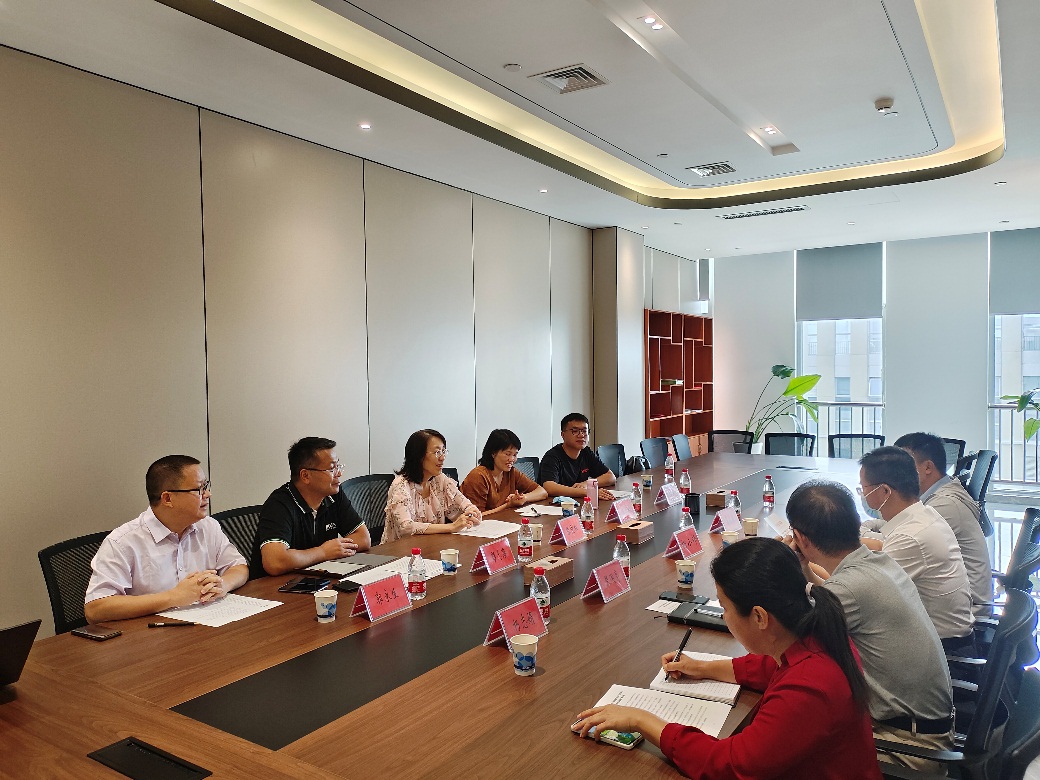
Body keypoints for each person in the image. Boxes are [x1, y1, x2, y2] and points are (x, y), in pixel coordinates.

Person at [573, 537, 880, 779]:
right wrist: (703, 667)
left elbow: (728, 765)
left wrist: (642, 720)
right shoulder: (818, 632)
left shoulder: (808, 687)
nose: (723, 615)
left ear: (759, 617)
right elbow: (771, 666)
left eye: (724, 606)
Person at [785, 480, 955, 770]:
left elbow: (789, 639)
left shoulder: (849, 589)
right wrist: (802, 570)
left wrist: (781, 570)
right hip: (925, 729)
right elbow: (831, 599)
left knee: (785, 753)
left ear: (800, 538)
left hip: (907, 748)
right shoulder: (879, 561)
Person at [84, 455, 248, 623]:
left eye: (205, 486)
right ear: (168, 499)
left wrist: (222, 585)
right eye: (198, 489)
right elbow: (95, 609)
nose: (207, 494)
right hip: (149, 633)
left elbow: (239, 567)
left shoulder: (207, 526)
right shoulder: (122, 542)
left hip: (203, 626)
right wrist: (173, 597)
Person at [857, 446, 974, 649]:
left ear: (884, 491)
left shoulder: (910, 537)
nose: (863, 495)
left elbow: (862, 596)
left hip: (943, 649)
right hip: (943, 636)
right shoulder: (924, 514)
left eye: (863, 488)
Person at [893, 432, 993, 615]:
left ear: (927, 467)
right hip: (956, 604)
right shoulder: (940, 493)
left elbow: (897, 546)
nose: (895, 475)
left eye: (902, 467)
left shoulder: (944, 505)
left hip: (967, 614)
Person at [250, 437, 371, 578]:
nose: (339, 473)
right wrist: (323, 552)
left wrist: (334, 550)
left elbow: (363, 538)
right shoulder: (279, 505)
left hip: (316, 578)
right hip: (273, 587)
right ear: (305, 475)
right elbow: (275, 562)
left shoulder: (333, 495)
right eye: (331, 469)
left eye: (338, 466)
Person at [383, 429, 482, 542]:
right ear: (418, 456)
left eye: (443, 451)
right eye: (437, 452)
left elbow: (463, 505)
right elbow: (406, 527)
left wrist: (471, 512)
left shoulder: (440, 480)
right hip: (399, 550)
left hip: (432, 545)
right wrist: (451, 527)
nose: (442, 457)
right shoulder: (401, 485)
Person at [460, 429, 548, 515]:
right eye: (507, 454)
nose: (512, 459)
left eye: (515, 455)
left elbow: (542, 492)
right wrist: (508, 505)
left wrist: (524, 498)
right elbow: (476, 516)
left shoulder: (511, 472)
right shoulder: (478, 476)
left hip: (504, 520)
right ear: (493, 453)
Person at [538, 413, 616, 500]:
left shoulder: (586, 452)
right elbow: (549, 487)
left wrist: (586, 484)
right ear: (563, 435)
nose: (581, 435)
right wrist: (588, 492)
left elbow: (610, 477)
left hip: (577, 502)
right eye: (575, 431)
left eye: (584, 431)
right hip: (554, 504)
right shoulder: (552, 456)